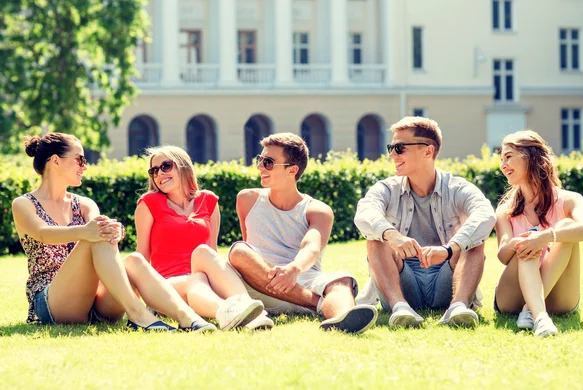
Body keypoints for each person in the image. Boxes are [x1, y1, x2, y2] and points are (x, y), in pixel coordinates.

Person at [11, 133, 213, 331]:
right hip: (53, 302)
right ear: (55, 161)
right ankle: (138, 315)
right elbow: (43, 233)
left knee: (134, 259)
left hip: (96, 301)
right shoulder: (24, 204)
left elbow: (100, 233)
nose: (85, 166)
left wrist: (115, 231)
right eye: (80, 160)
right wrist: (87, 231)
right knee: (94, 236)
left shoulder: (84, 204)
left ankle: (187, 317)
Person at [228, 133, 377, 334]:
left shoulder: (317, 210)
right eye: (260, 160)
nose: (260, 167)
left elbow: (312, 246)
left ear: (293, 170)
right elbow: (248, 247)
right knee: (238, 251)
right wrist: (272, 273)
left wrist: (293, 270)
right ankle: (317, 305)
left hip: (302, 278)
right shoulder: (247, 199)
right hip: (259, 286)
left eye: (269, 162)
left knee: (342, 281)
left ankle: (343, 318)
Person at [354, 116, 495, 328]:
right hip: (401, 283)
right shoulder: (386, 188)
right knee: (376, 238)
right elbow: (365, 212)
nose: (391, 154)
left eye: (399, 148)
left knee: (474, 240)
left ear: (428, 151)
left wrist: (449, 249)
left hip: (448, 280)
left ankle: (458, 308)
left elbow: (485, 214)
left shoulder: (457, 188)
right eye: (390, 147)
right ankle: (400, 309)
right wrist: (392, 235)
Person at [134, 145, 271, 330]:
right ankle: (228, 311)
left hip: (203, 280)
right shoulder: (148, 204)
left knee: (203, 253)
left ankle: (248, 308)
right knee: (195, 280)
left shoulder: (208, 200)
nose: (159, 174)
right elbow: (141, 258)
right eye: (154, 170)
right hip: (167, 285)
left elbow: (212, 253)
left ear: (183, 166)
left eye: (166, 166)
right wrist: (135, 305)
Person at [494, 130, 583, 337]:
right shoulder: (506, 209)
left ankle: (531, 312)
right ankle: (539, 316)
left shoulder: (570, 199)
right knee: (527, 244)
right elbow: (503, 255)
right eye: (501, 159)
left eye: (508, 156)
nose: (503, 165)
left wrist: (547, 236)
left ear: (530, 156)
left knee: (567, 226)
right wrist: (520, 242)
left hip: (559, 297)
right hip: (513, 297)